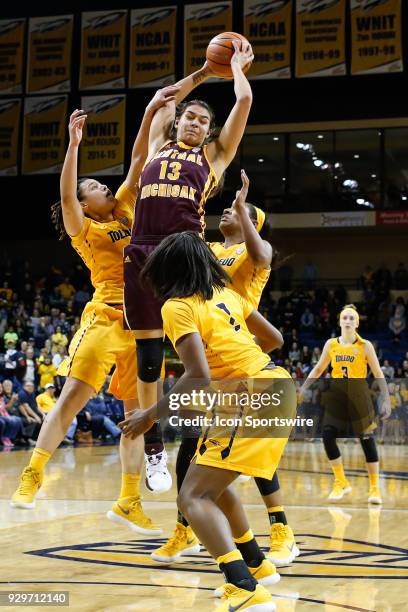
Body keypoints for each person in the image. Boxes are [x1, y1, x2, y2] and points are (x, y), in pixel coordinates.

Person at [10, 86, 177, 529]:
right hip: (105, 319)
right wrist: (73, 145)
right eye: (95, 187)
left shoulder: (123, 211)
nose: (104, 186)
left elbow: (140, 160)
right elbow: (67, 197)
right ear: (86, 204)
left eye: (103, 184)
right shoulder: (84, 229)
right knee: (70, 400)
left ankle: (127, 500)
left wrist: (148, 116)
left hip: (143, 326)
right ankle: (32, 474)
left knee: (134, 417)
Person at [120, 232, 297, 612]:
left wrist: (147, 416)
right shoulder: (229, 295)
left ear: (169, 268)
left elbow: (197, 373)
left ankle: (244, 587)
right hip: (273, 383)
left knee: (192, 496)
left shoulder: (176, 306)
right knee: (211, 483)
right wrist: (230, 367)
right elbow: (275, 339)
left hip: (251, 395)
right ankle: (258, 566)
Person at [122, 42, 254, 488]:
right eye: (190, 117)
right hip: (141, 248)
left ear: (210, 131)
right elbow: (160, 100)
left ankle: (209, 431)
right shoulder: (158, 142)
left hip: (185, 251)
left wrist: (235, 68)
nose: (196, 123)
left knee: (199, 352)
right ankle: (154, 447)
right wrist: (201, 72)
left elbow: (245, 100)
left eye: (204, 121)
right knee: (147, 356)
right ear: (179, 121)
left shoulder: (214, 157)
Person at [152, 171, 298, 568]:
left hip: (238, 352)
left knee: (224, 459)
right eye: (227, 210)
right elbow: (182, 243)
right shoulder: (210, 254)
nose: (227, 214)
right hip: (220, 349)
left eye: (236, 212)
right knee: (199, 451)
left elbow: (264, 256)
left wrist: (244, 208)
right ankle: (200, 535)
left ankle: (274, 532)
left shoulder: (253, 249)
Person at [300, 304, 391, 504]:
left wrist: (385, 398)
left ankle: (375, 489)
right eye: (345, 318)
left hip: (359, 394)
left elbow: (378, 373)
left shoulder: (365, 345)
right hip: (337, 395)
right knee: (327, 436)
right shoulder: (331, 344)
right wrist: (304, 387)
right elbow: (318, 369)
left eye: (352, 318)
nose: (348, 321)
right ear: (340, 321)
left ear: (357, 323)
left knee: (366, 439)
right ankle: (341, 481)